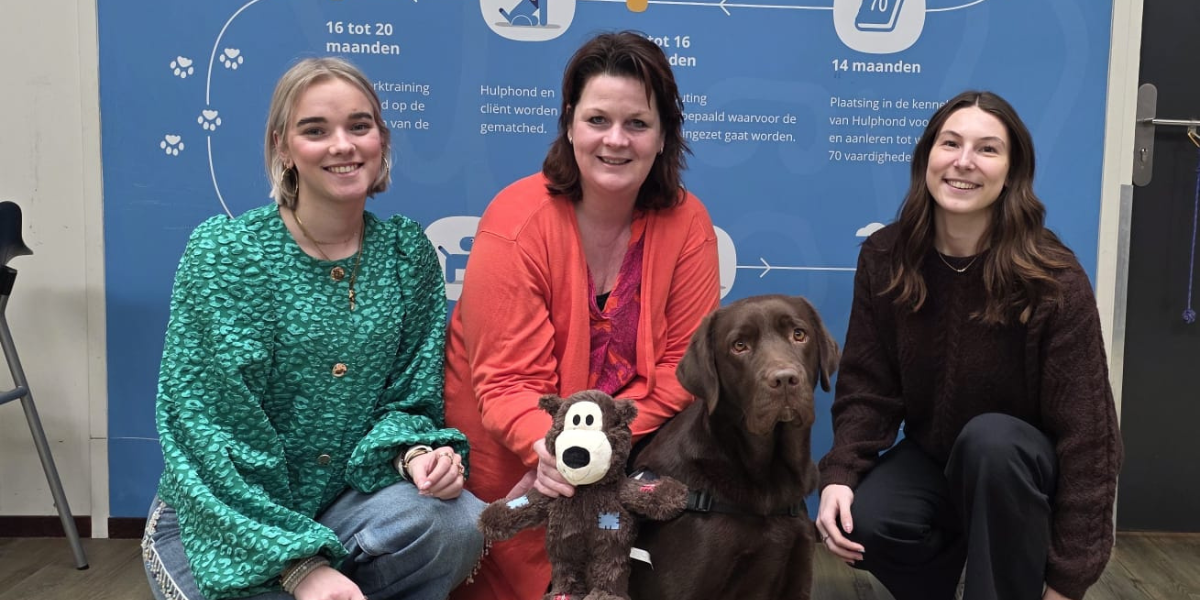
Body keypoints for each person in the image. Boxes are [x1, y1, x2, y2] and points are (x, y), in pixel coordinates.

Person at [142, 57, 485, 600]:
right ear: (282, 146)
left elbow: (409, 399)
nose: (343, 145)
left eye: (359, 125)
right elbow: (208, 435)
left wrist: (416, 455)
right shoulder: (228, 254)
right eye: (315, 130)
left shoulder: (405, 254)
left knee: (456, 521)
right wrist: (298, 566)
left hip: (342, 509)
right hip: (218, 523)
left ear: (381, 139)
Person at [442, 31, 721, 600]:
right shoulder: (515, 221)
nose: (615, 141)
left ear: (665, 134)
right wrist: (555, 454)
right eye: (597, 120)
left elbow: (683, 370)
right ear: (569, 124)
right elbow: (507, 384)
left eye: (638, 124)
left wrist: (598, 451)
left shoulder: (689, 223)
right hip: (517, 461)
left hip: (627, 457)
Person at [815, 90, 1123, 600]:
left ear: (1011, 170)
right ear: (927, 158)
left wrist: (1068, 580)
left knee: (991, 441)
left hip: (1020, 469)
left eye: (987, 149)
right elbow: (868, 388)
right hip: (936, 457)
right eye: (950, 143)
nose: (963, 162)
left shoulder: (1053, 276)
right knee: (865, 519)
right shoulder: (886, 257)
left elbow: (1090, 438)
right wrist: (841, 474)